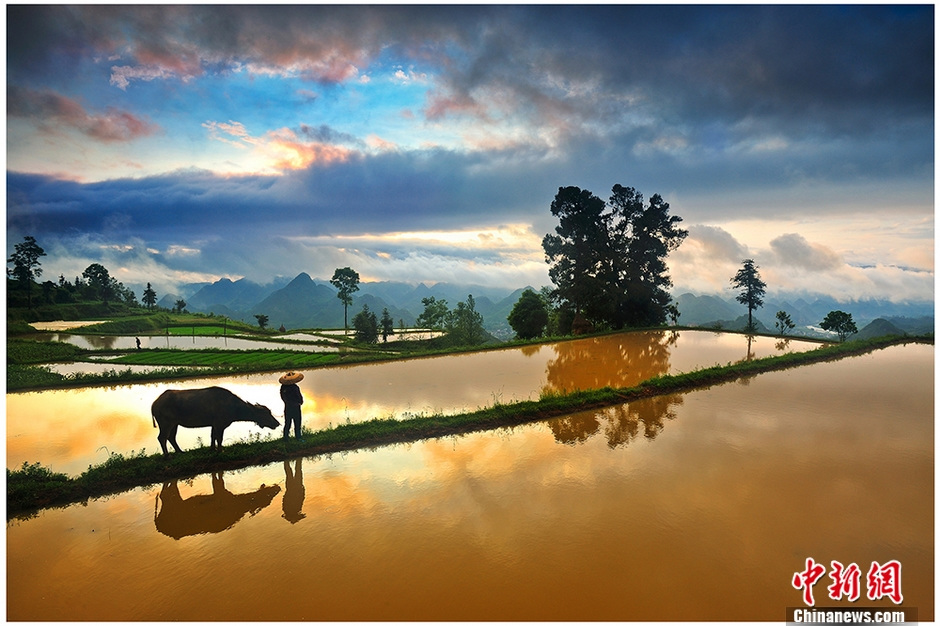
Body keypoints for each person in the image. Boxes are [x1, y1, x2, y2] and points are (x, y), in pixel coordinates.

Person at [278, 371, 304, 439]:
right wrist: (300, 402)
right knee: (297, 423)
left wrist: (288, 403)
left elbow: (283, 397)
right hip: (295, 407)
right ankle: (298, 437)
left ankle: (286, 438)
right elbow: (299, 397)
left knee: (287, 423)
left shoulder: (283, 387)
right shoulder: (295, 387)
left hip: (287, 407)